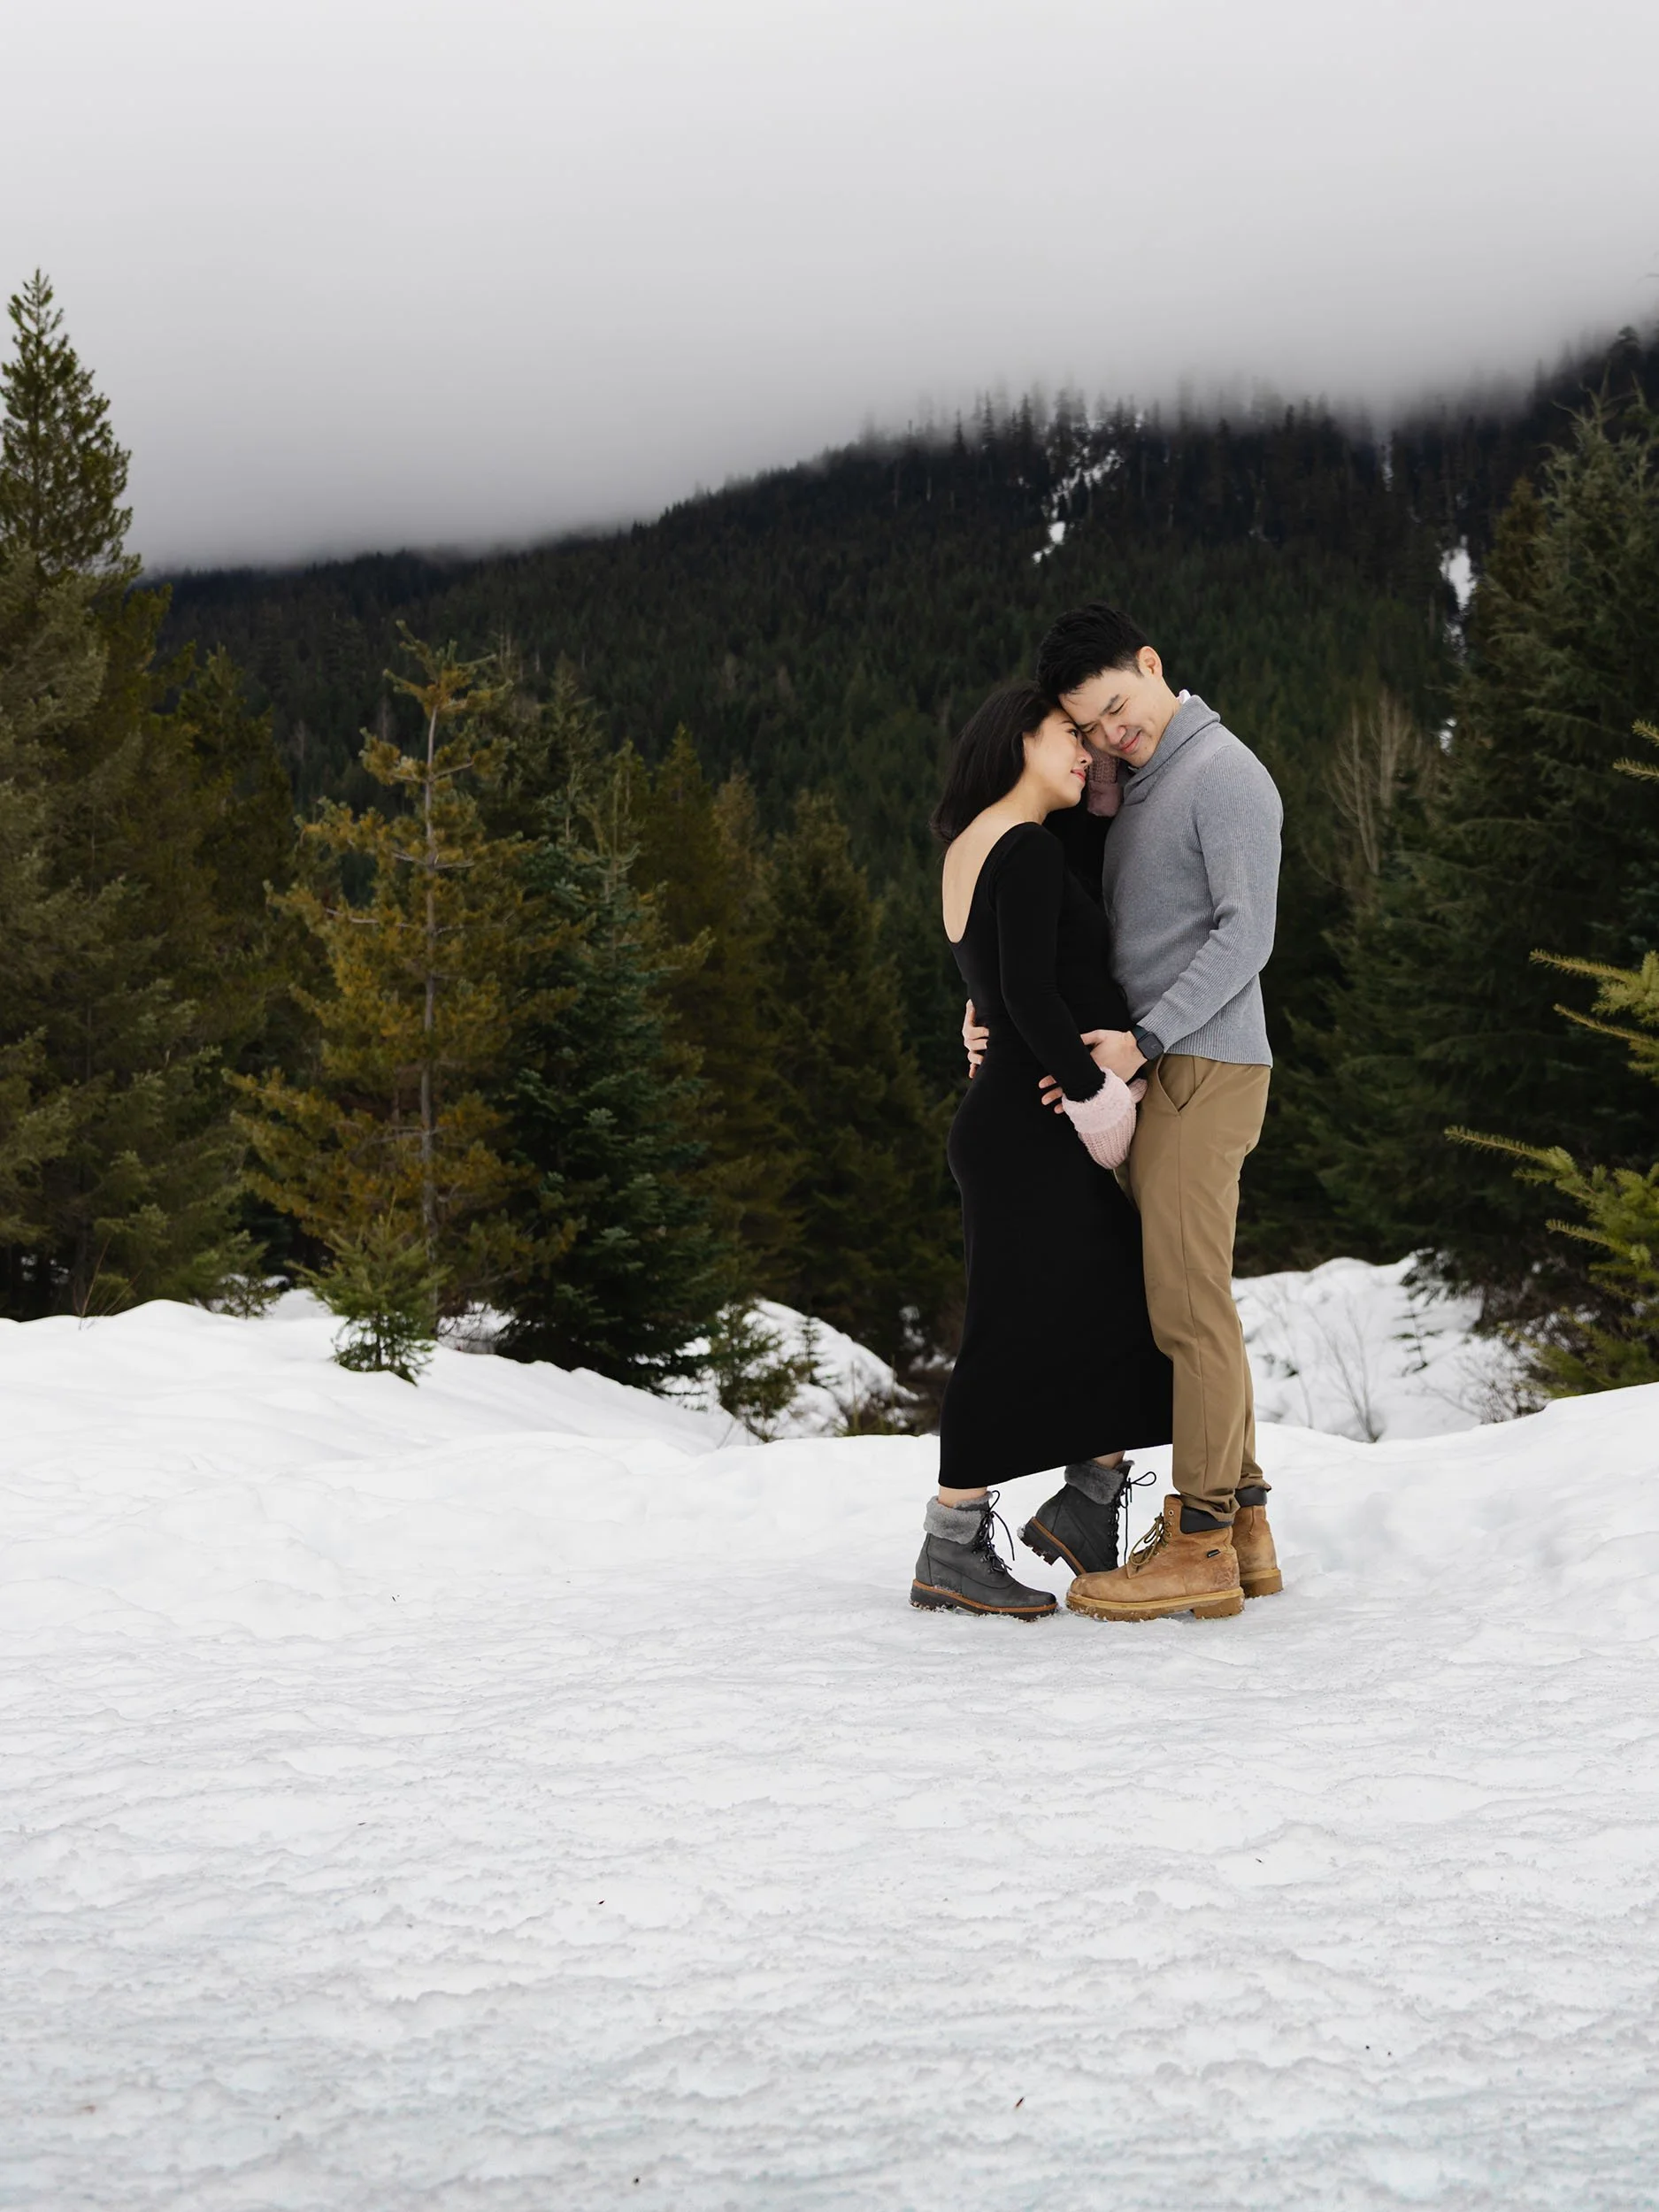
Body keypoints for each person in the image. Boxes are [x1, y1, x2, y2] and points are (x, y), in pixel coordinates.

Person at [1015, 603, 1284, 1624]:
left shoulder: (1226, 775)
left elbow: (1245, 934)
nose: (1111, 736)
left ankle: (1201, 1542)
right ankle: (1245, 1528)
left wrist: (1147, 1038)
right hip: (1168, 1067)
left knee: (1186, 1307)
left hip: (1204, 1064)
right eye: (1091, 728)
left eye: (1120, 709)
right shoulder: (1141, 784)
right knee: (1192, 1296)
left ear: (1154, 665)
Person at [913, 686, 1175, 1620]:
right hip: (1035, 1125)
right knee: (1011, 1329)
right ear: (1017, 739)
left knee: (1112, 1303)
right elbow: (1024, 987)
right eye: (1069, 736)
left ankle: (1090, 1506)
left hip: (1008, 1121)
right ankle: (953, 1544)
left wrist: (990, 1026)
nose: (1086, 754)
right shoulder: (1022, 845)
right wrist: (1096, 1092)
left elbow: (991, 982)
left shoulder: (973, 844)